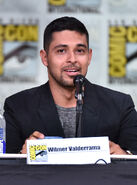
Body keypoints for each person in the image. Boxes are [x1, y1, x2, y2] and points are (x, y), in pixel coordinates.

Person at [4, 16, 137, 155]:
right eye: (61, 51)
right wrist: (21, 158)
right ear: (45, 58)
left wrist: (125, 157)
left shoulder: (120, 106)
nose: (72, 59)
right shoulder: (17, 106)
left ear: (89, 56)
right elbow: (5, 171)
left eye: (79, 51)